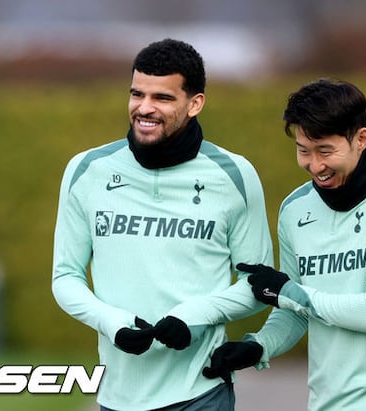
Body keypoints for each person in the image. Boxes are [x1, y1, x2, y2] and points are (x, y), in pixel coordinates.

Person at [52, 38, 273, 410]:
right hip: (117, 397)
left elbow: (259, 284)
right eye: (137, 94)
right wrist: (111, 321)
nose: (144, 108)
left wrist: (193, 316)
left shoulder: (235, 175)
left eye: (163, 98)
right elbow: (65, 277)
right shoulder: (86, 171)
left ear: (194, 103)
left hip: (201, 393)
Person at [203, 79, 366, 410]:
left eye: (325, 151)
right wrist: (259, 346)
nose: (314, 166)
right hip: (327, 400)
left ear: (361, 139)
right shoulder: (294, 209)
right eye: (303, 151)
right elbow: (297, 311)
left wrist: (288, 293)